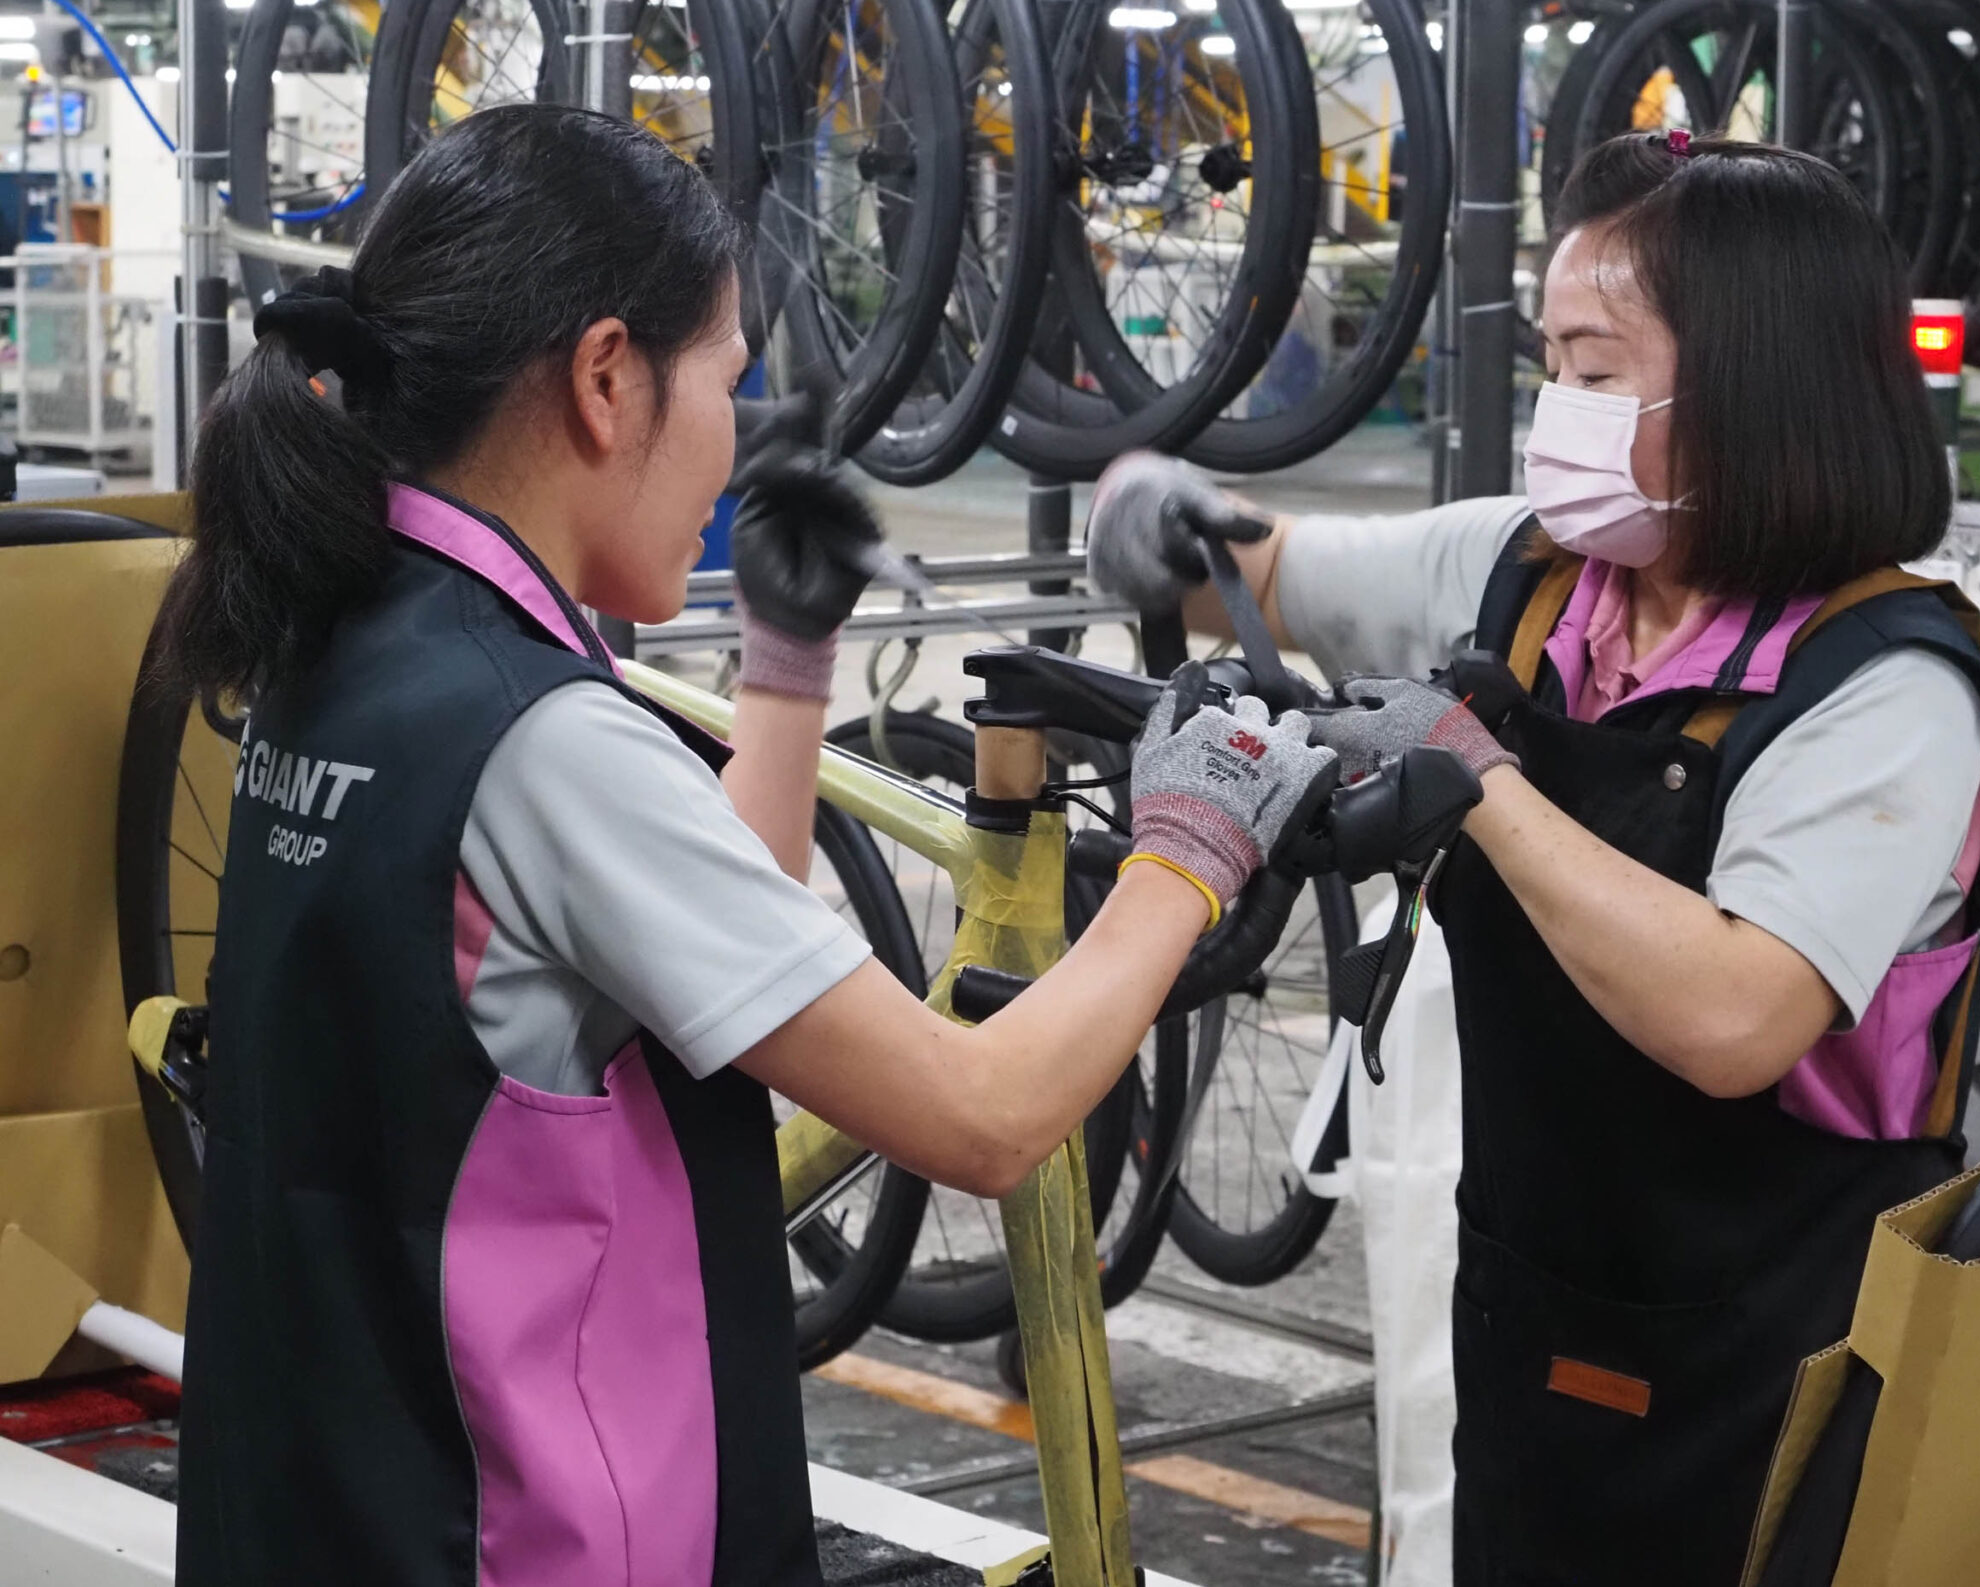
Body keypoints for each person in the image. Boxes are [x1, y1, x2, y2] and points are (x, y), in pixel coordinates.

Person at [163, 105, 1337, 1587]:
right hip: (517, 1546)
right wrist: (1188, 850)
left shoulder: (349, 634)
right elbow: (980, 1115)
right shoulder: (545, 743)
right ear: (605, 378)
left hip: (332, 1513)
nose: (734, 428)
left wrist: (783, 666)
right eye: (726, 375)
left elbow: (699, 951)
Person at [1086, 133, 1980, 1585]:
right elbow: (1275, 574)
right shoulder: (1536, 578)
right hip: (1542, 1310)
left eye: (1596, 369)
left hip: (1790, 1366)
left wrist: (1481, 781)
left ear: (1756, 388)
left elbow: (1736, 1017)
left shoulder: (1883, 687)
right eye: (1551, 366)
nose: (1557, 411)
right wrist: (1164, 518)